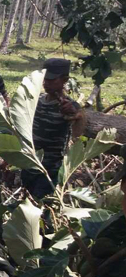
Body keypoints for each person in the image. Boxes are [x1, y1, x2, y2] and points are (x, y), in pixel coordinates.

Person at [21, 58, 84, 199]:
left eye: (51, 80)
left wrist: (76, 114)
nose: (46, 83)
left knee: (41, 207)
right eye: (44, 79)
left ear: (64, 80)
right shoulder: (37, 100)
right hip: (29, 164)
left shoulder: (68, 106)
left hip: (49, 170)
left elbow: (78, 132)